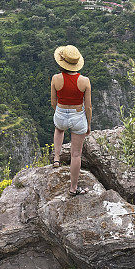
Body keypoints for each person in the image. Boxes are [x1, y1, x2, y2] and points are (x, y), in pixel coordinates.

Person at [51, 45, 92, 195]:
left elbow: (53, 102)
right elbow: (88, 107)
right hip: (78, 116)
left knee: (59, 129)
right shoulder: (85, 81)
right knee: (76, 154)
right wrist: (88, 124)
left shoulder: (55, 78)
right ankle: (73, 188)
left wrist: (61, 112)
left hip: (61, 113)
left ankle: (56, 157)